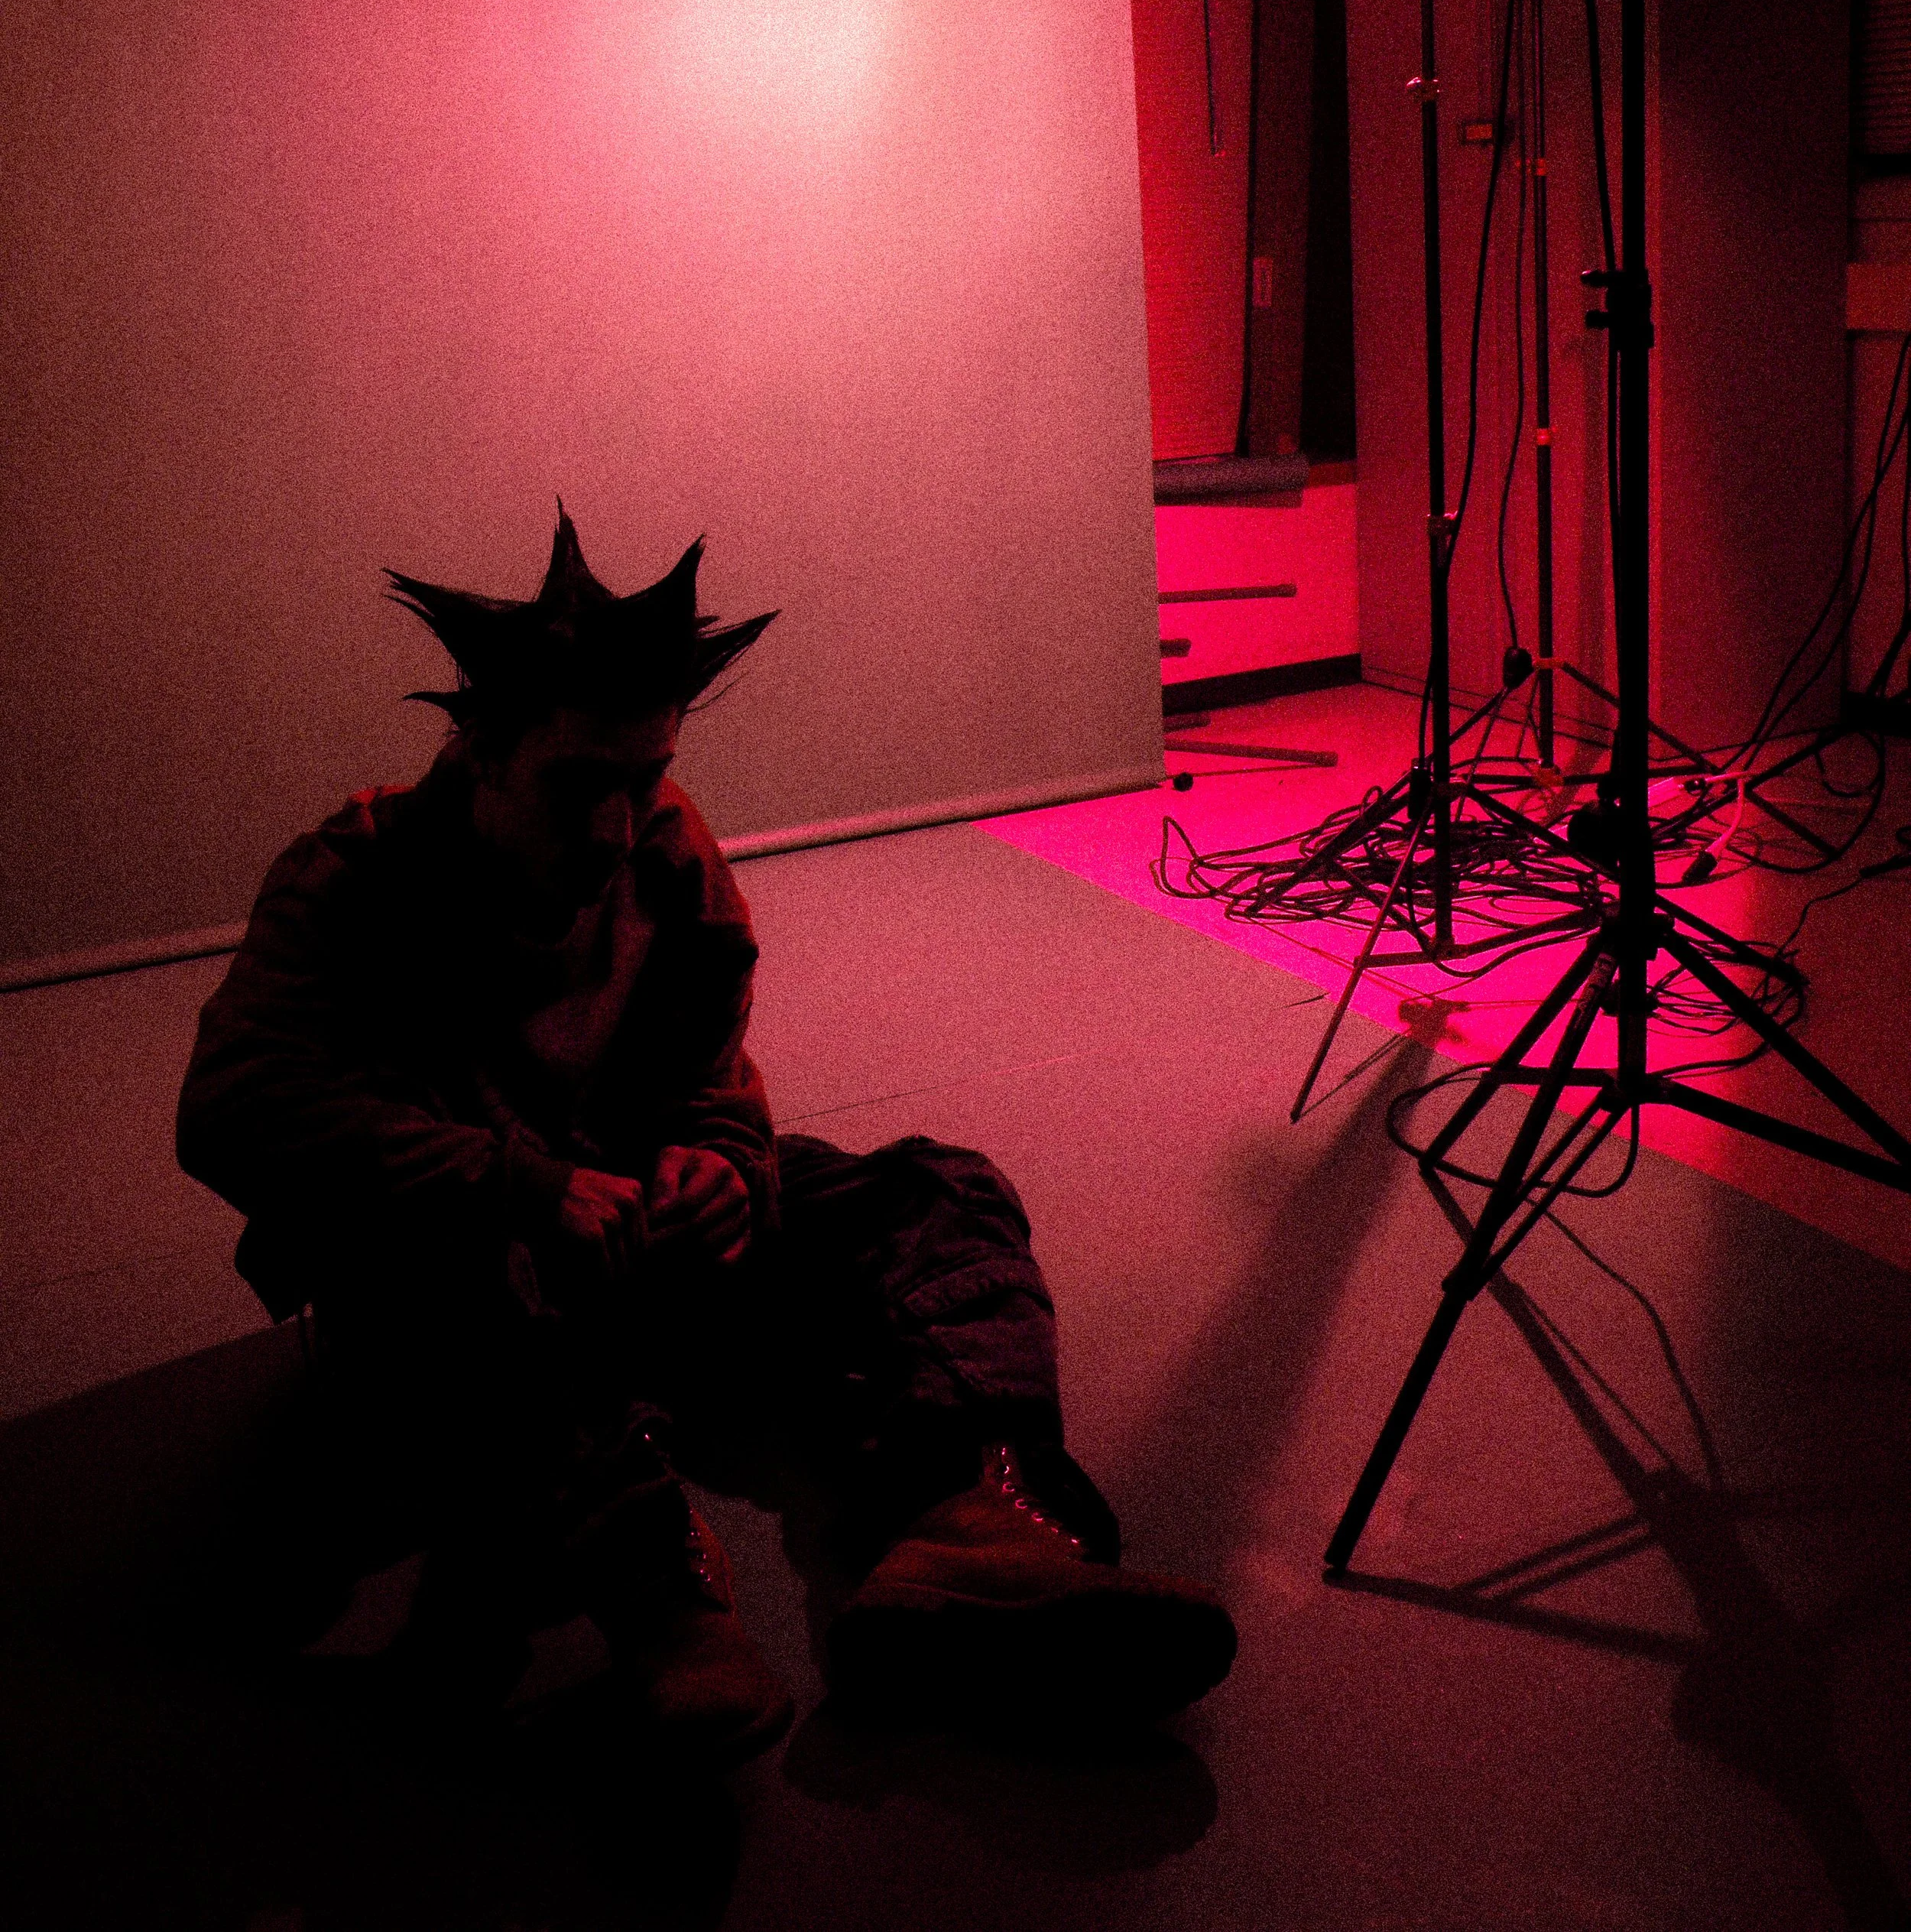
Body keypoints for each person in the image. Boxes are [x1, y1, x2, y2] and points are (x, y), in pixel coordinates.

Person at [177, 510, 1235, 1765]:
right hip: (464, 1273)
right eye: (580, 786)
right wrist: (520, 1185)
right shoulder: (351, 879)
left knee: (938, 1194)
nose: (617, 826)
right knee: (466, 1281)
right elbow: (234, 1107)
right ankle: (657, 1593)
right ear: (481, 754)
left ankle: (975, 1527)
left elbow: (710, 1073)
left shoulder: (664, 847)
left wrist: (720, 1164)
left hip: (632, 1236)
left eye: (643, 779)